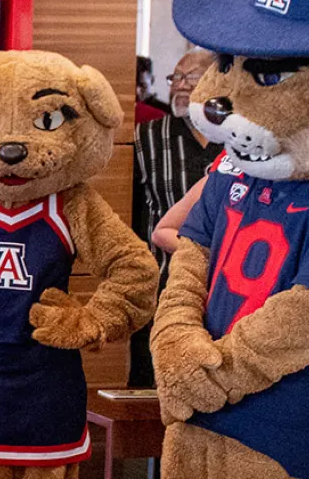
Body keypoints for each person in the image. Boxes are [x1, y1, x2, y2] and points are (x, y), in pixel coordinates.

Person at [128, 48, 219, 388]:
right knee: (154, 378)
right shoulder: (146, 137)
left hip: (222, 284)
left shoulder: (238, 140)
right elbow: (135, 211)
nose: (179, 86)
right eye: (174, 78)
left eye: (190, 78)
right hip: (163, 279)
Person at [135, 56, 169, 124]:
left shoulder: (165, 113)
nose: (137, 91)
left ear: (152, 80)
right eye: (133, 85)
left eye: (143, 85)